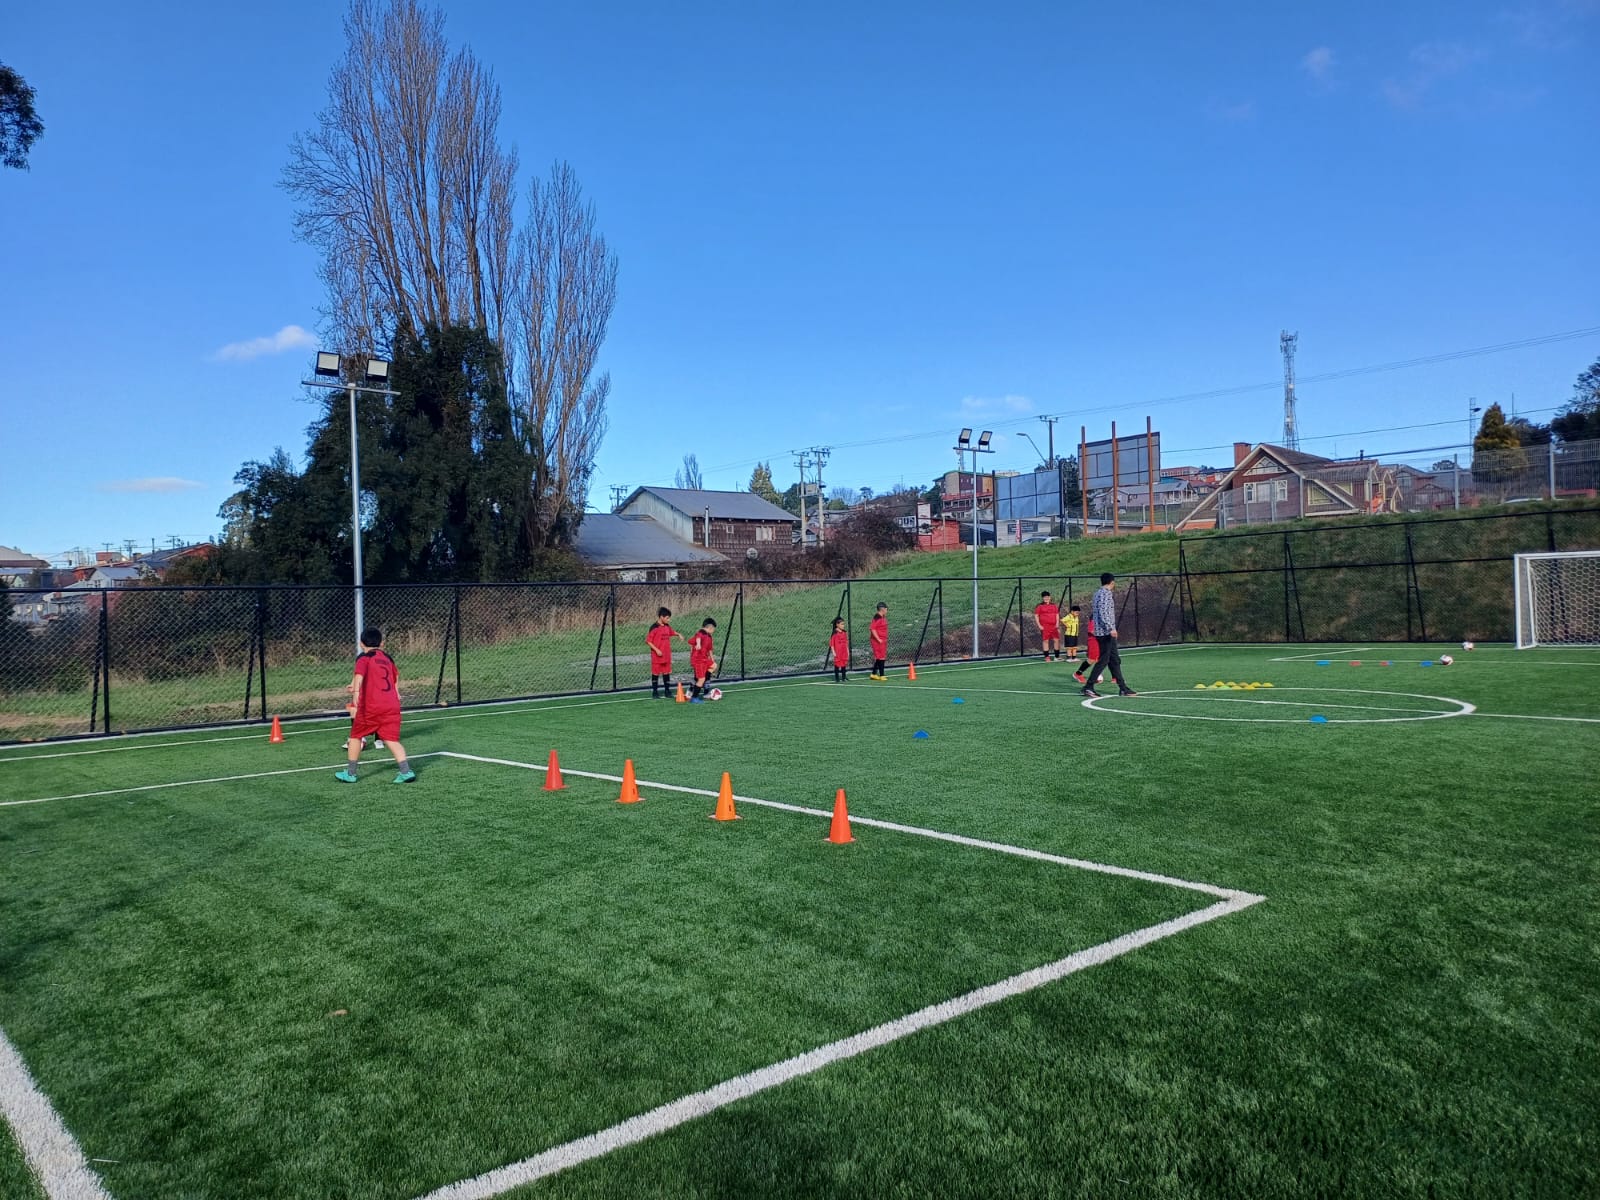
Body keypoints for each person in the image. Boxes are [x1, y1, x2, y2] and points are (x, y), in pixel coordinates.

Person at [335, 628, 414, 783]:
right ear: (382, 643)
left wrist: (356, 691)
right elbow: (395, 678)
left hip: (371, 706)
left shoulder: (364, 658)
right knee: (392, 740)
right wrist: (397, 695)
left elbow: (359, 675)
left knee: (356, 736)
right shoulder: (388, 659)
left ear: (361, 643)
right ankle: (406, 771)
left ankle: (350, 773)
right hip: (391, 705)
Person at [1081, 573, 1136, 698]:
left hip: (1101, 631)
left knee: (1114, 660)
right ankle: (1088, 686)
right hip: (1105, 632)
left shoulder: (1097, 593)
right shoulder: (1105, 593)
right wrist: (1111, 628)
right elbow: (1104, 612)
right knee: (1104, 659)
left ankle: (1123, 688)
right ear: (1112, 582)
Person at [646, 607, 688, 699]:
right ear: (661, 617)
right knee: (656, 674)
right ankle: (655, 692)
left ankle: (667, 691)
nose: (669, 620)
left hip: (666, 655)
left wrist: (679, 634)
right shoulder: (654, 627)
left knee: (666, 673)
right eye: (667, 618)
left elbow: (672, 632)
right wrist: (657, 650)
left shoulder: (667, 626)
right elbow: (648, 641)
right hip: (657, 656)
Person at [688, 617, 717, 701]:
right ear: (710, 627)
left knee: (714, 666)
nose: (714, 631)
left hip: (704, 659)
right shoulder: (701, 632)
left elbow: (710, 649)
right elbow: (698, 637)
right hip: (698, 660)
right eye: (714, 629)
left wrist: (712, 659)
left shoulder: (709, 637)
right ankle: (694, 697)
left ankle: (698, 682)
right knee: (701, 679)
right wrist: (698, 644)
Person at [1033, 590, 1061, 662]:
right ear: (1042, 598)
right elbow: (1036, 616)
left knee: (1056, 640)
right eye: (1044, 597)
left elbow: (1057, 615)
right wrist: (1039, 625)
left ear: (1050, 597)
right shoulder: (1040, 606)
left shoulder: (1054, 605)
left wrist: (1057, 623)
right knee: (1046, 641)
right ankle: (1047, 657)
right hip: (1045, 626)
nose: (1046, 598)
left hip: (1054, 626)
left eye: (1047, 597)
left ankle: (1056, 657)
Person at [869, 602, 889, 680]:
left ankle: (873, 674)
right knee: (881, 657)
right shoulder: (877, 618)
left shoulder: (883, 617)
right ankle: (882, 675)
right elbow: (872, 629)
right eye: (886, 609)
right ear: (882, 609)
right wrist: (878, 639)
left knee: (880, 657)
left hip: (883, 640)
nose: (887, 611)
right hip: (877, 641)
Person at [828, 616, 850, 682]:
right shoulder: (834, 633)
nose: (843, 625)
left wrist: (847, 651)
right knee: (837, 664)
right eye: (842, 624)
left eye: (844, 624)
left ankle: (843, 677)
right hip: (838, 652)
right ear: (837, 625)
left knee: (844, 664)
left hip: (844, 651)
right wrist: (834, 652)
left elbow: (846, 643)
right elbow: (831, 644)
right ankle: (837, 678)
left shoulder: (844, 633)